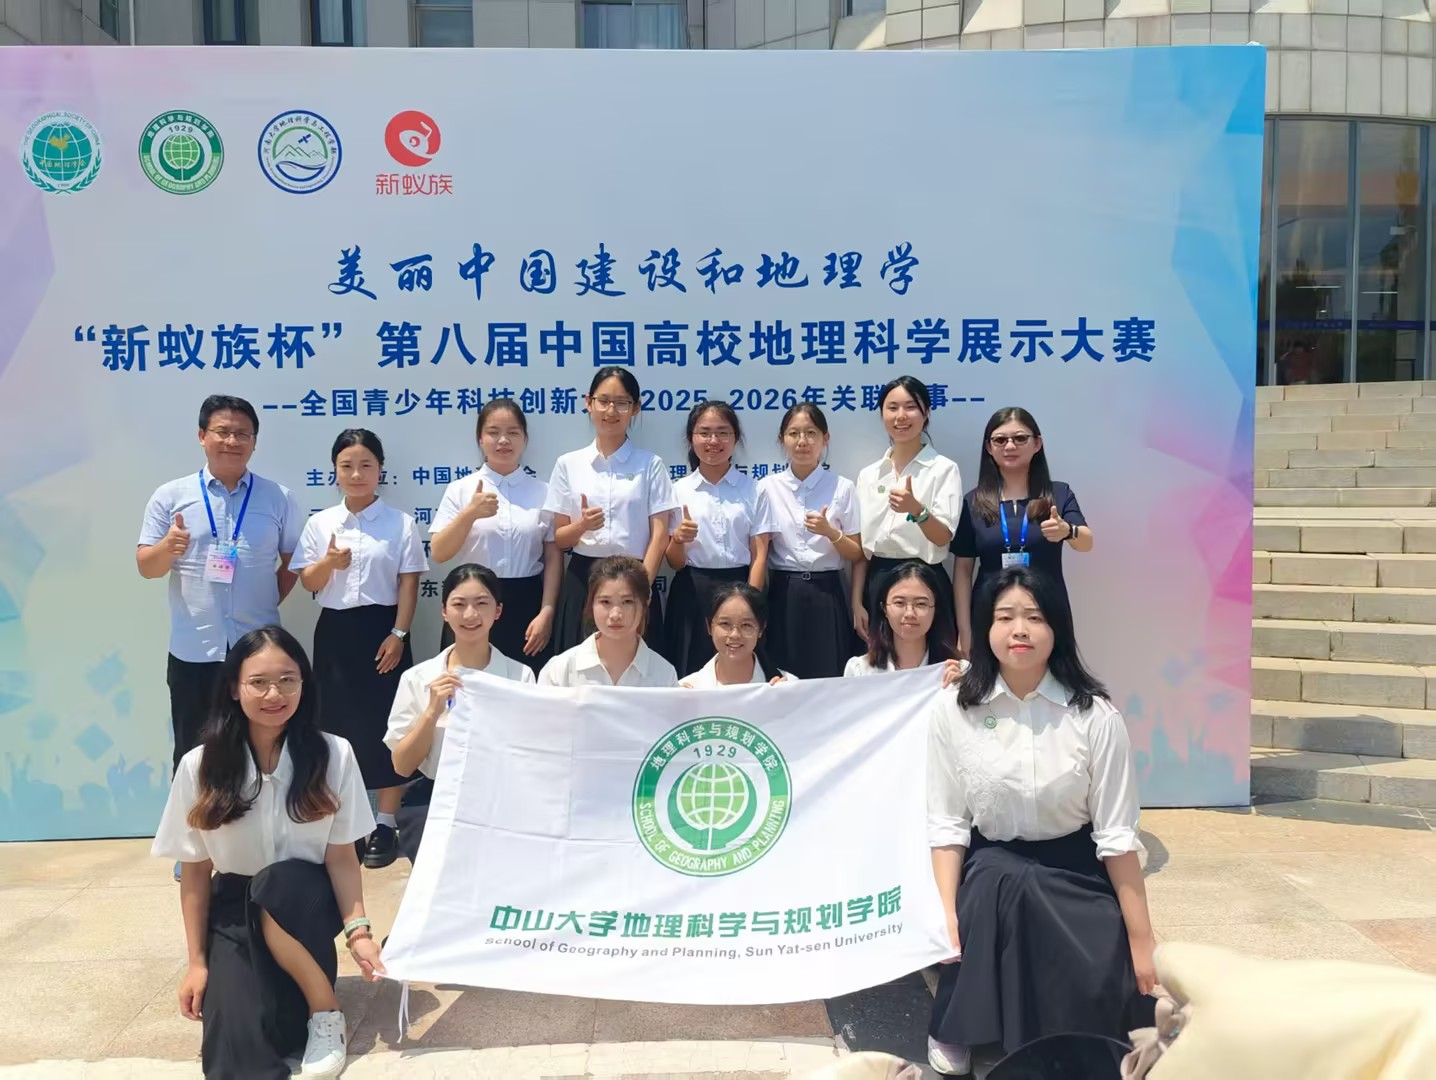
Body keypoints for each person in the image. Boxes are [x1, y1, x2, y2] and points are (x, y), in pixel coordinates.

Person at [925, 565, 1155, 1075]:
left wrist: (1142, 941)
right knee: (992, 886)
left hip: (1073, 866)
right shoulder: (953, 708)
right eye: (1004, 617)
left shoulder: (1095, 716)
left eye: (1034, 617)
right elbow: (947, 823)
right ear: (985, 628)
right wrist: (945, 914)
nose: (1020, 630)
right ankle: (960, 1023)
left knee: (1097, 1004)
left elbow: (1117, 837)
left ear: (1058, 628)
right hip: (991, 866)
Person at [151, 626, 384, 1080]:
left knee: (275, 884)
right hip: (235, 909)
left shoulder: (334, 754)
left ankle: (325, 1010)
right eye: (258, 682)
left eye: (287, 680)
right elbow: (196, 872)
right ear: (234, 688)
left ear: (303, 685)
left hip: (303, 903)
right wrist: (197, 963)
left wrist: (359, 933)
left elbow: (341, 857)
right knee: (232, 1051)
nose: (274, 694)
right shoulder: (200, 765)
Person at [137, 395, 305, 776]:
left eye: (242, 434)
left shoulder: (278, 498)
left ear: (254, 442)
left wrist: (266, 599)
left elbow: (293, 561)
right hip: (194, 648)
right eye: (222, 432)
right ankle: (196, 816)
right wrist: (167, 548)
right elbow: (147, 567)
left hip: (259, 651)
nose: (232, 441)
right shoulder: (171, 496)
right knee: (193, 754)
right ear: (202, 436)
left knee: (261, 749)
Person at [289, 429, 428, 870]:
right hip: (335, 632)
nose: (356, 474)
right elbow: (308, 583)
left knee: (390, 723)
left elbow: (409, 583)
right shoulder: (320, 524)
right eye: (346, 466)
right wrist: (328, 563)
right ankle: (344, 822)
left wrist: (399, 633)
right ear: (334, 471)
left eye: (365, 465)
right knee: (335, 727)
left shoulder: (401, 523)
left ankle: (385, 822)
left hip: (385, 632)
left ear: (380, 470)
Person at [384, 564, 536, 864]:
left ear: (498, 611)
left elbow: (530, 754)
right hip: (435, 796)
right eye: (459, 604)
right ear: (444, 611)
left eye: (481, 604)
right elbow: (402, 765)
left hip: (501, 796)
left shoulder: (520, 676)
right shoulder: (418, 678)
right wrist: (431, 712)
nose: (470, 615)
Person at [545, 367, 679, 655]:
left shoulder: (650, 465)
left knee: (639, 669)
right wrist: (582, 526)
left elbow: (659, 537)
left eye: (621, 403)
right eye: (603, 401)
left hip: (635, 577)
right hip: (584, 581)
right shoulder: (568, 464)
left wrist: (640, 590)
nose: (611, 411)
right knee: (580, 670)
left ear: (635, 408)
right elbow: (560, 538)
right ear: (588, 402)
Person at [428, 400, 560, 674]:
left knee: (524, 685)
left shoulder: (543, 491)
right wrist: (470, 514)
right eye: (493, 432)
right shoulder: (460, 490)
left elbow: (553, 557)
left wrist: (547, 611)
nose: (503, 440)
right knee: (465, 687)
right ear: (480, 438)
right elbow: (438, 552)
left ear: (525, 439)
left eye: (512, 432)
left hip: (527, 604)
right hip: (472, 602)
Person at [950, 407, 1092, 658]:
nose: (1010, 446)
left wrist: (1067, 531)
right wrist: (964, 630)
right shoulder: (974, 502)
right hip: (991, 614)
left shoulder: (1058, 494)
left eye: (1020, 438)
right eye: (1000, 440)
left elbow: (1086, 542)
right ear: (989, 447)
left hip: (1046, 612)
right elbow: (962, 571)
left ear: (1037, 444)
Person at [664, 401, 777, 675]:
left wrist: (749, 603)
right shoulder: (678, 490)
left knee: (742, 671)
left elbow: (760, 555)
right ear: (691, 438)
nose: (713, 441)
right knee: (689, 673)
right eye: (704, 433)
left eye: (722, 433)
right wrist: (678, 539)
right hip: (692, 592)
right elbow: (675, 563)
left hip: (741, 586)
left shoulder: (754, 490)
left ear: (735, 438)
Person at [852, 377, 961, 652]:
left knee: (931, 665)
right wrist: (856, 601)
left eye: (911, 407)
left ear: (926, 413)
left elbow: (943, 537)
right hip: (878, 580)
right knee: (878, 665)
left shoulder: (943, 469)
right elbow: (862, 548)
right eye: (892, 408)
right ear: (882, 415)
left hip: (925, 579)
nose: (901, 416)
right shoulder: (869, 475)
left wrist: (917, 510)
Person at [758, 403, 863, 680]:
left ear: (825, 439)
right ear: (782, 440)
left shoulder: (842, 487)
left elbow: (856, 553)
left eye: (811, 433)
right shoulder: (767, 487)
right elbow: (759, 549)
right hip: (783, 591)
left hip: (828, 591)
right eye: (794, 433)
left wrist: (830, 532)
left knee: (828, 673)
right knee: (782, 674)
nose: (802, 441)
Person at [538, 555, 679, 688]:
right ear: (591, 603)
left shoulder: (664, 675)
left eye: (627, 602)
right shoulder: (560, 670)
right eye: (605, 602)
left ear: (645, 603)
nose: (615, 615)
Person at [844, 560, 965, 688]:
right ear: (884, 608)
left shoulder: (958, 670)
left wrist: (963, 688)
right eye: (899, 603)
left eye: (920, 604)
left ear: (935, 609)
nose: (909, 613)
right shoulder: (860, 671)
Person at [681, 582, 793, 687]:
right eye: (725, 624)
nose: (735, 635)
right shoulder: (688, 689)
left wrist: (786, 698)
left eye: (746, 625)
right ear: (709, 626)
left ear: (761, 629)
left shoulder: (788, 686)